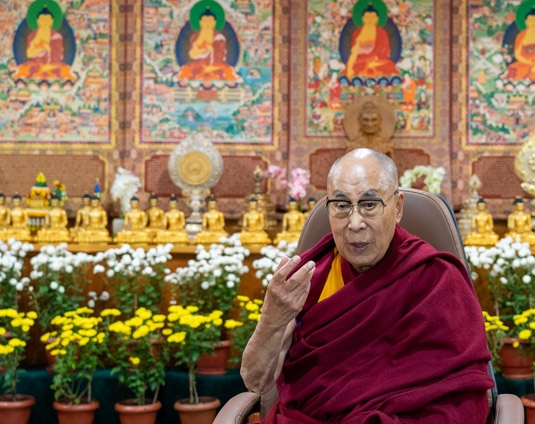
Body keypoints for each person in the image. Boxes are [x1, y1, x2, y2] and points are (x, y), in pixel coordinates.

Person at [241, 148, 493, 423]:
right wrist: (273, 319)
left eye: (369, 205)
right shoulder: (310, 279)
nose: (355, 223)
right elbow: (255, 381)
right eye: (341, 205)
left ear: (397, 208)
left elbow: (462, 400)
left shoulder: (436, 279)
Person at [176, 0, 239, 81]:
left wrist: (211, 50)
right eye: (205, 21)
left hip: (216, 65)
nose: (207, 24)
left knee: (226, 71)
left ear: (214, 23)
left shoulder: (219, 37)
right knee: (186, 70)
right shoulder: (195, 36)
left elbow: (220, 56)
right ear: (200, 22)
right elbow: (192, 55)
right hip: (197, 65)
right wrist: (199, 51)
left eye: (210, 21)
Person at [14, 1, 75, 81]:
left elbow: (59, 56)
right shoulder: (32, 35)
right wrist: (38, 47)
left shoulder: (56, 36)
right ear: (38, 21)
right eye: (42, 20)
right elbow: (29, 54)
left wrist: (48, 49)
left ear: (51, 22)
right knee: (25, 68)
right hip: (35, 65)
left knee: (62, 69)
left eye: (47, 20)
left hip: (53, 65)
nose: (45, 23)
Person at [345, 3, 400, 80]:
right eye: (367, 17)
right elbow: (354, 53)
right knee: (348, 67)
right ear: (363, 19)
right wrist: (350, 67)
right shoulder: (357, 33)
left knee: (389, 65)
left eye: (372, 17)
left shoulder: (382, 33)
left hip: (377, 62)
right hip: (361, 62)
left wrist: (375, 60)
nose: (370, 20)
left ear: (377, 19)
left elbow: (385, 51)